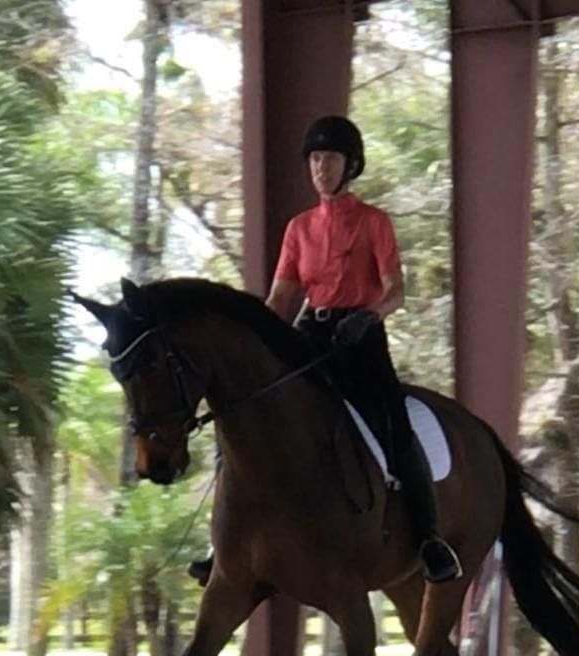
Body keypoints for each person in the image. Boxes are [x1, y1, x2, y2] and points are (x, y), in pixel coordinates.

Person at [189, 114, 461, 586]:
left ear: (349, 165)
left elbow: (397, 291)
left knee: (392, 424)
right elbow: (280, 300)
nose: (321, 168)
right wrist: (252, 344)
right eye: (315, 159)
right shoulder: (298, 229)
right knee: (251, 419)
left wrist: (369, 315)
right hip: (310, 336)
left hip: (360, 337)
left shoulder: (375, 223)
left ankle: (430, 539)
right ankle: (226, 543)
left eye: (330, 159)